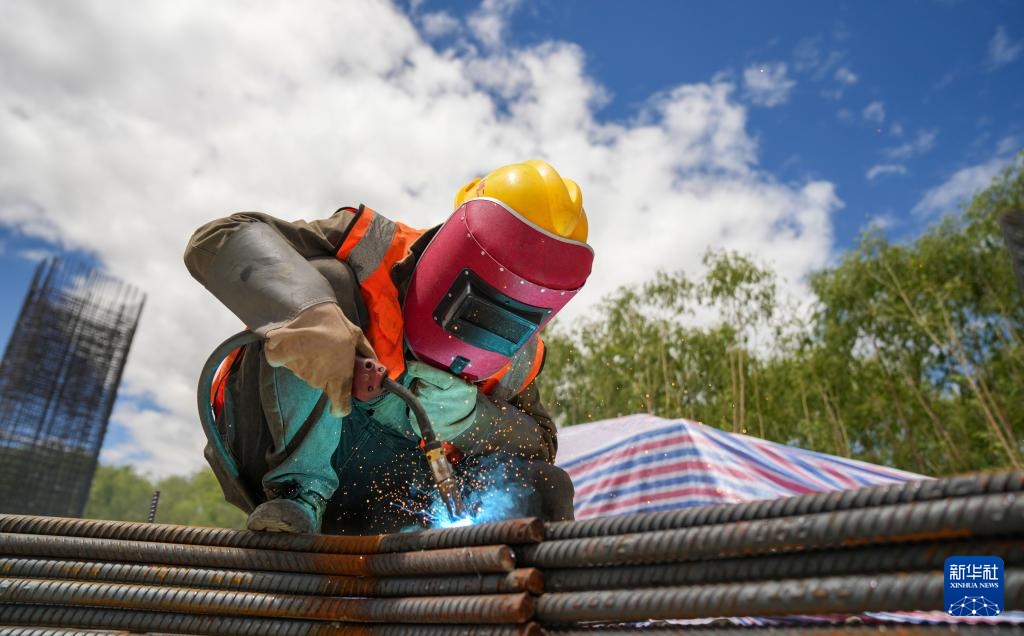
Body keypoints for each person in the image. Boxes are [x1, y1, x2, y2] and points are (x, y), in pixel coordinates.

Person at [185, 160, 594, 534]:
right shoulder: (371, 244)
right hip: (268, 443)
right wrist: (310, 316)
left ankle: (495, 595)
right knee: (327, 277)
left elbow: (539, 443)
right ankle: (299, 494)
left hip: (394, 491)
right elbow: (216, 238)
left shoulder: (520, 353)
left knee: (543, 485)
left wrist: (470, 419)